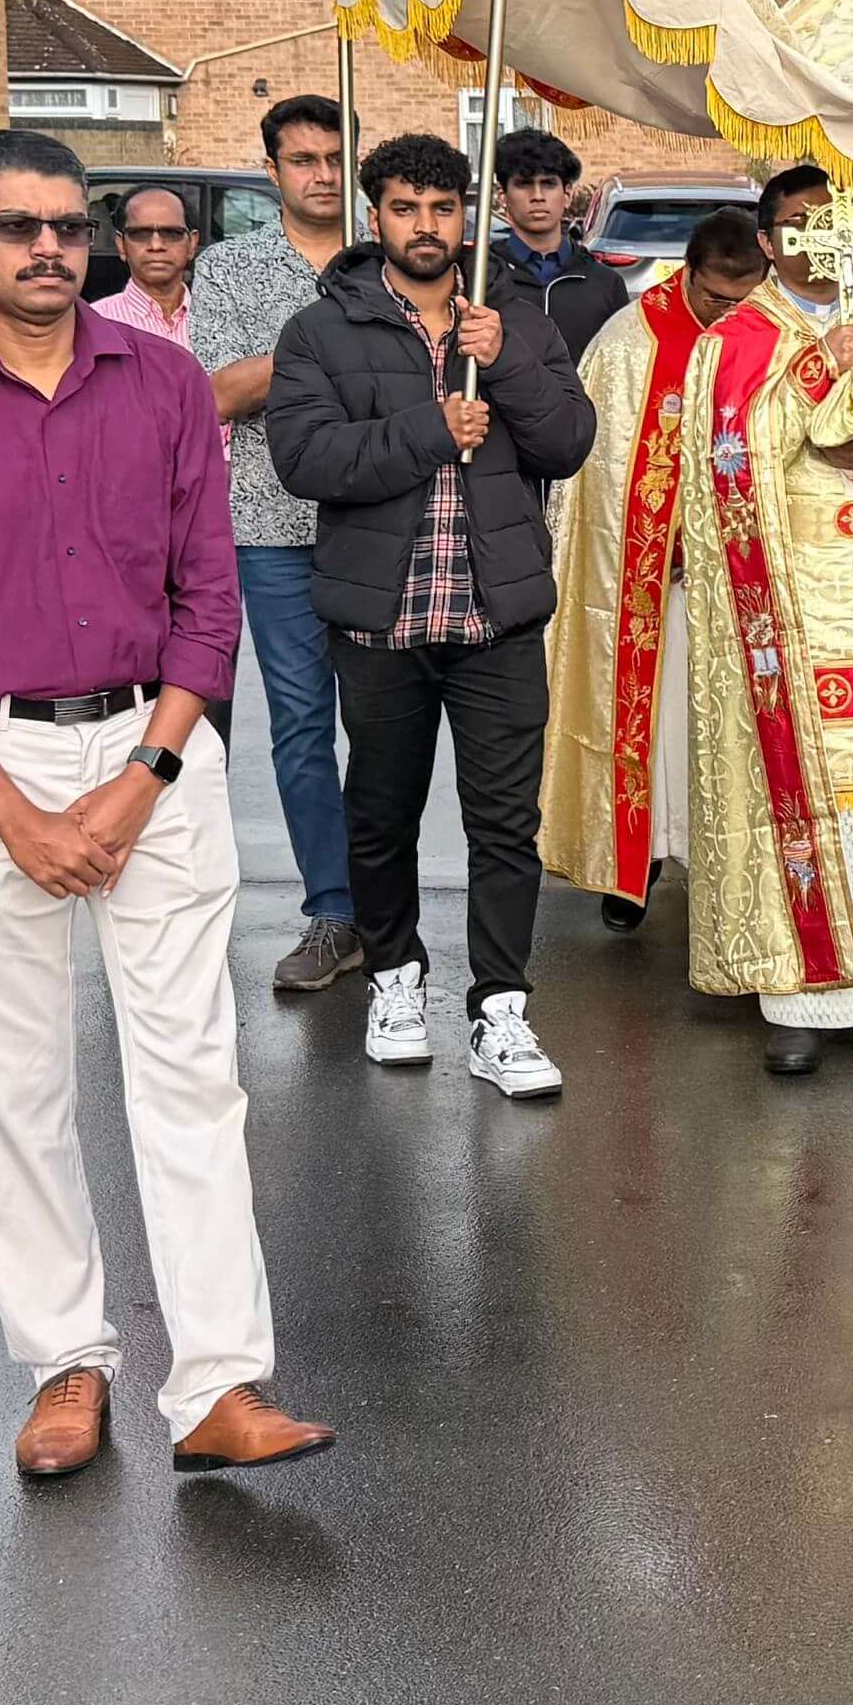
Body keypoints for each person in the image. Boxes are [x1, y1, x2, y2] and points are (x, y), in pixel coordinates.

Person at [0, 127, 330, 1482]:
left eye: (70, 224)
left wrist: (145, 778)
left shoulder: (167, 388)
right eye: (19, 226)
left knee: (191, 1077)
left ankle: (220, 1387)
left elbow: (205, 600)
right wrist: (14, 813)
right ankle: (67, 1366)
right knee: (17, 1086)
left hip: (154, 754)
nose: (51, 246)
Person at [267, 132, 601, 1097]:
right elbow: (308, 462)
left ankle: (501, 1011)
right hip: (381, 623)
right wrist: (428, 428)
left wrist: (506, 368)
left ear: (468, 217)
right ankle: (396, 980)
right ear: (376, 217)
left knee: (504, 826)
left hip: (495, 618)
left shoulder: (512, 323)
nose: (427, 227)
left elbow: (569, 443)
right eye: (407, 209)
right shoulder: (321, 331)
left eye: (444, 209)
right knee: (381, 818)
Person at [679, 167, 853, 1074]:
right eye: (798, 224)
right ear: (768, 239)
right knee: (806, 790)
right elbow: (721, 462)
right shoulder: (738, 340)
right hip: (787, 609)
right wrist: (808, 390)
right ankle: (803, 995)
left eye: (835, 221)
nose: (817, 238)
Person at [187, 97, 365, 995]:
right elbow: (218, 393)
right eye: (302, 159)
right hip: (270, 524)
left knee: (385, 727)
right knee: (300, 726)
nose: (322, 173)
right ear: (273, 172)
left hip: (385, 519)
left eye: (336, 156)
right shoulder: (229, 267)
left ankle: (389, 907)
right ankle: (331, 912)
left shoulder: (396, 253)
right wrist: (325, 334)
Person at [540, 213, 755, 940]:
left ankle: (726, 871)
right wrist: (661, 546)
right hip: (653, 586)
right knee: (649, 728)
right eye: (716, 298)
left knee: (726, 731)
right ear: (686, 272)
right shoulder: (629, 343)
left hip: (739, 584)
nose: (728, 313)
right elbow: (596, 480)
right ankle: (636, 867)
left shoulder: (766, 343)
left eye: (742, 298)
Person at [482, 123, 624, 367]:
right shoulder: (481, 276)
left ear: (567, 193)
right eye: (524, 184)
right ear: (502, 196)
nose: (537, 196)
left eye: (548, 183)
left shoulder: (605, 283)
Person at [92, 185, 198, 348]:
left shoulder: (223, 322)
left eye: (171, 233)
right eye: (140, 234)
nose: (156, 245)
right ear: (121, 245)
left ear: (192, 244)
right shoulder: (95, 323)